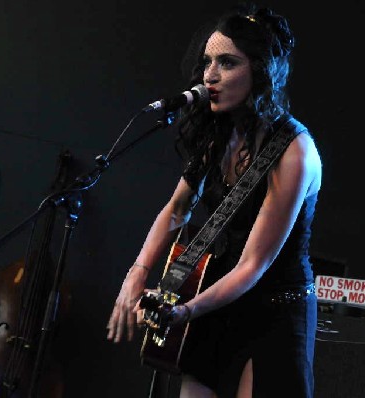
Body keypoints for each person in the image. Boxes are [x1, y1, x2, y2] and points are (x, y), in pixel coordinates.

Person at [107, 3, 322, 398]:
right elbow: (176, 209)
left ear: (261, 71)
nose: (210, 76)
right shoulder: (220, 130)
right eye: (207, 61)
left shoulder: (294, 151)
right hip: (215, 299)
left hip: (271, 311)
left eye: (227, 62)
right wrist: (137, 272)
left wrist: (185, 311)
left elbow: (254, 265)